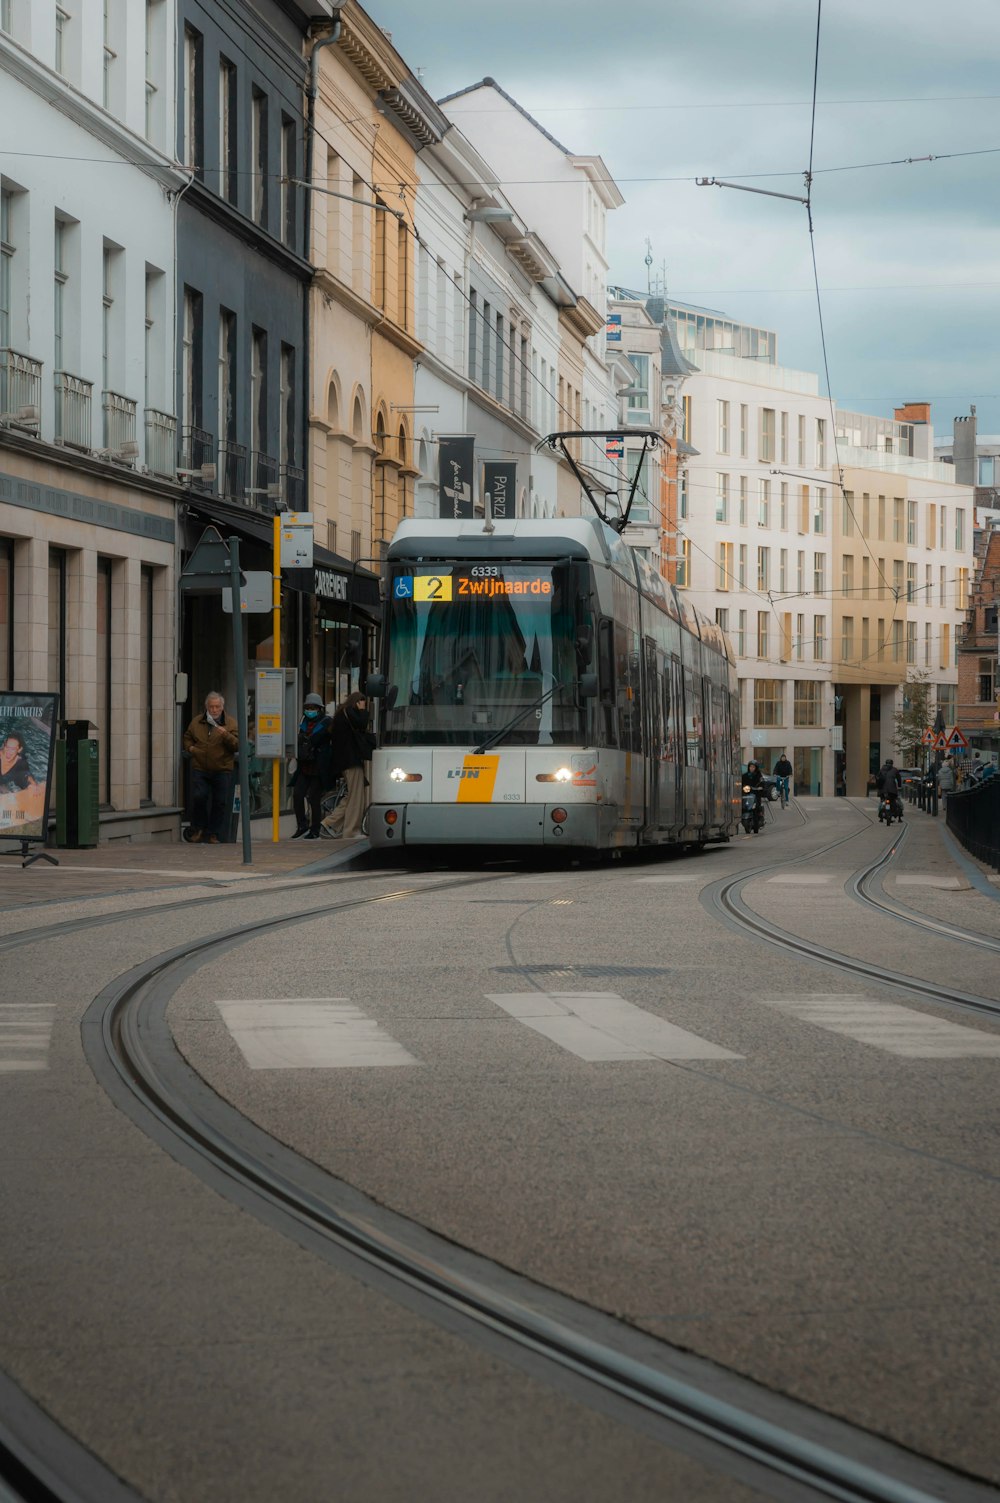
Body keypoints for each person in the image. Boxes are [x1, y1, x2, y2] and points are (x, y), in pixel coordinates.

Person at [183, 691, 239, 844]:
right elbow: (187, 737)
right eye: (211, 707)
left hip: (222, 768)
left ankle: (214, 833)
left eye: (217, 707)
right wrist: (191, 749)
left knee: (220, 801)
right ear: (206, 707)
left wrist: (225, 735)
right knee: (199, 797)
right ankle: (200, 829)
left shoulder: (231, 723)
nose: (214, 710)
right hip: (200, 766)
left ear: (222, 707)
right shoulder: (196, 722)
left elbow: (237, 745)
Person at [322, 691, 375, 838]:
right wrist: (363, 710)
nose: (364, 705)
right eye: (362, 702)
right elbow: (363, 723)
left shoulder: (341, 714)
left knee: (352, 795)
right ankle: (351, 831)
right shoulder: (350, 713)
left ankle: (330, 822)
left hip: (344, 762)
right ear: (357, 702)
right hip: (351, 761)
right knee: (356, 797)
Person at [292, 693, 333, 840]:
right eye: (307, 707)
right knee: (297, 794)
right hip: (304, 765)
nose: (310, 710)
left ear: (319, 708)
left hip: (319, 766)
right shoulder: (303, 722)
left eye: (313, 707)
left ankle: (315, 829)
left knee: (313, 798)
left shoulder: (327, 722)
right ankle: (302, 825)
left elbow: (326, 740)